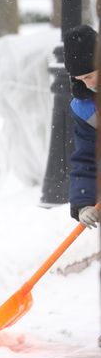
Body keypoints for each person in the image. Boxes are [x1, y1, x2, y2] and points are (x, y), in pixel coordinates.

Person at [63, 24, 100, 229]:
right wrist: (83, 203)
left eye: (89, 76)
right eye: (80, 80)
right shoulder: (85, 109)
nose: (87, 85)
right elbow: (87, 158)